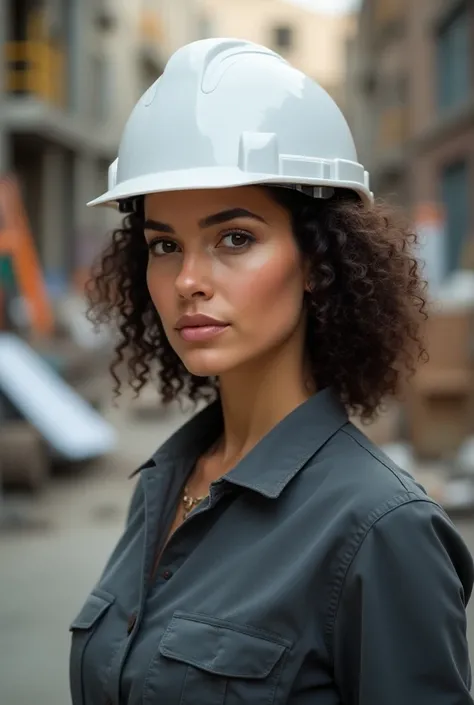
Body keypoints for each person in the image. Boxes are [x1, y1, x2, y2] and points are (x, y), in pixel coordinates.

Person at [69, 38, 474, 705]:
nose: (189, 280)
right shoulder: (162, 487)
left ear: (318, 259)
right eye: (164, 244)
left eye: (235, 237)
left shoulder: (382, 529)